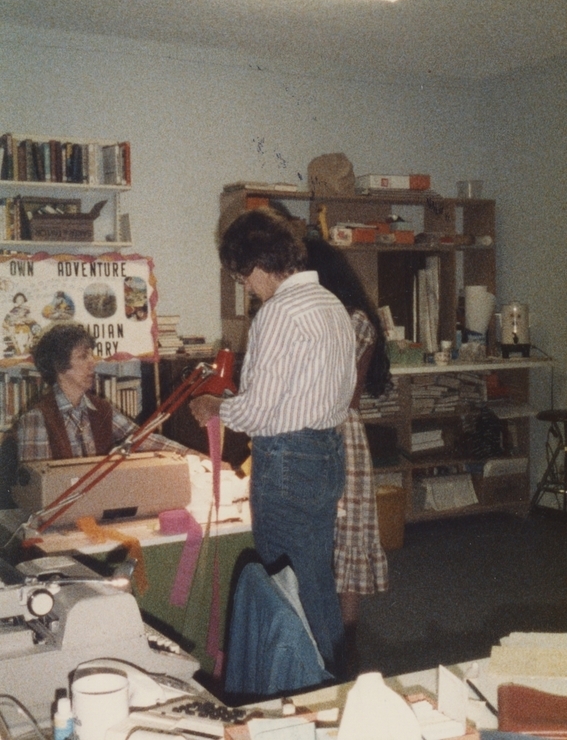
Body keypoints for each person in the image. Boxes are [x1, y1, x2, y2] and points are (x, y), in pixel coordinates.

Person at [190, 208, 356, 677]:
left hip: (287, 459)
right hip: (325, 454)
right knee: (315, 578)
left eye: (243, 276)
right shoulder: (330, 304)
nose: (246, 286)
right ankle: (329, 680)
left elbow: (258, 412)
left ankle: (313, 687)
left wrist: (216, 407)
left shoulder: (279, 313)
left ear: (261, 264)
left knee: (287, 586)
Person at [304, 235, 391, 666]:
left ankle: (346, 644)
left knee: (349, 537)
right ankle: (326, 635)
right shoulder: (337, 315)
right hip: (322, 429)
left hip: (341, 433)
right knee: (325, 538)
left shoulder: (352, 320)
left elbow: (326, 381)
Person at [17, 322, 188, 462]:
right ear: (59, 365)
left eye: (91, 355)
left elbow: (141, 438)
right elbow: (39, 489)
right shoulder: (37, 418)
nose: (93, 362)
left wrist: (191, 455)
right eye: (83, 356)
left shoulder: (101, 409)